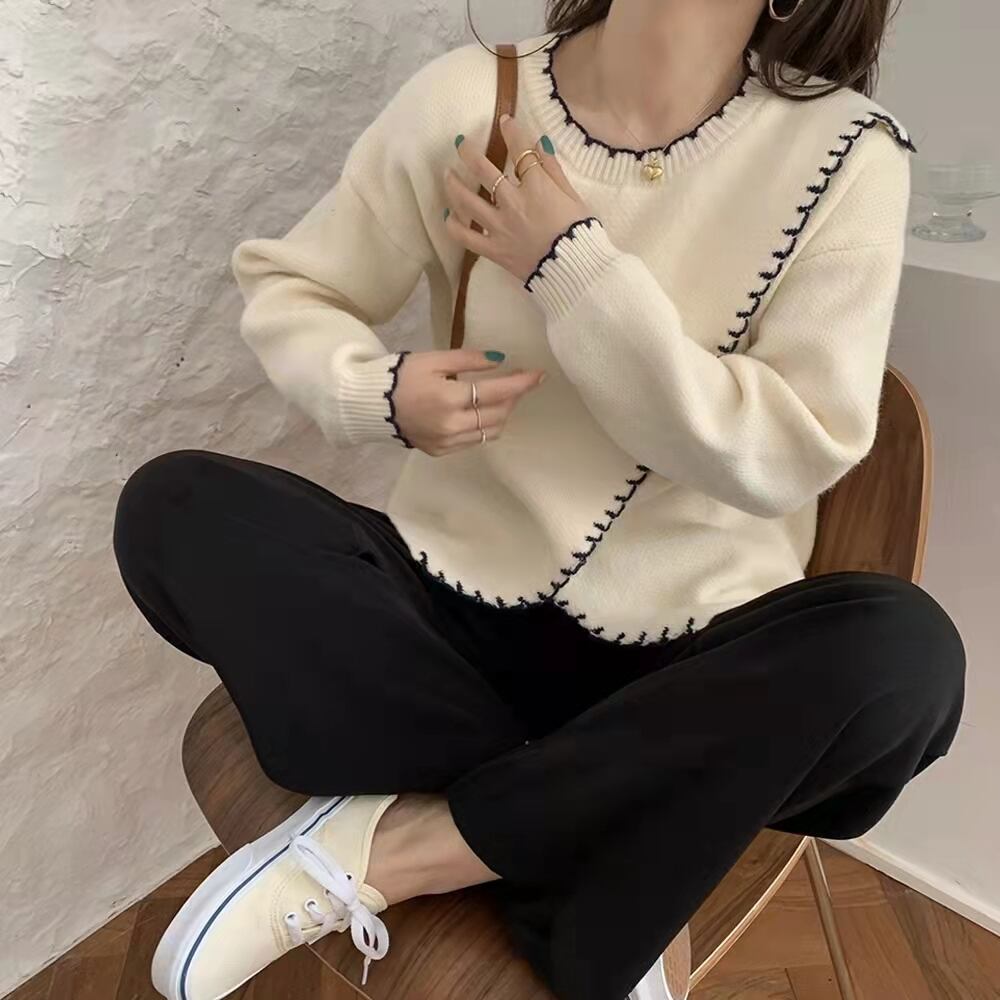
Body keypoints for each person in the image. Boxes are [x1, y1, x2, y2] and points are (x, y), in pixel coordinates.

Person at [112, 1, 967, 999]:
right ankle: (602, 832)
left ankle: (404, 848)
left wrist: (571, 264)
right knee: (177, 510)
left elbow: (786, 451)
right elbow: (292, 284)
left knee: (905, 661)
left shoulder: (848, 154)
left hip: (686, 667)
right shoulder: (469, 100)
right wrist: (379, 392)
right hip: (452, 623)